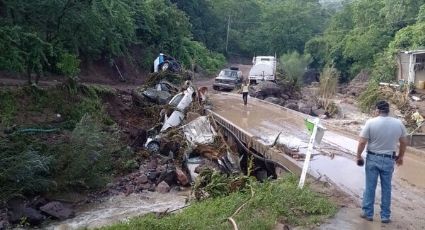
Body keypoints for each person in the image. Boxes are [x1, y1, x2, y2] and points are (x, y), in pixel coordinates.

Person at [356, 100, 408, 224]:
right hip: (389, 159)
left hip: (373, 158)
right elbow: (404, 142)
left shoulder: (371, 122)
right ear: (388, 110)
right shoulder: (398, 123)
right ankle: (385, 216)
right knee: (386, 188)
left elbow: (362, 141)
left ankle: (368, 213)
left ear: (377, 110)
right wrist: (400, 157)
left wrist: (358, 156)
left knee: (370, 186)